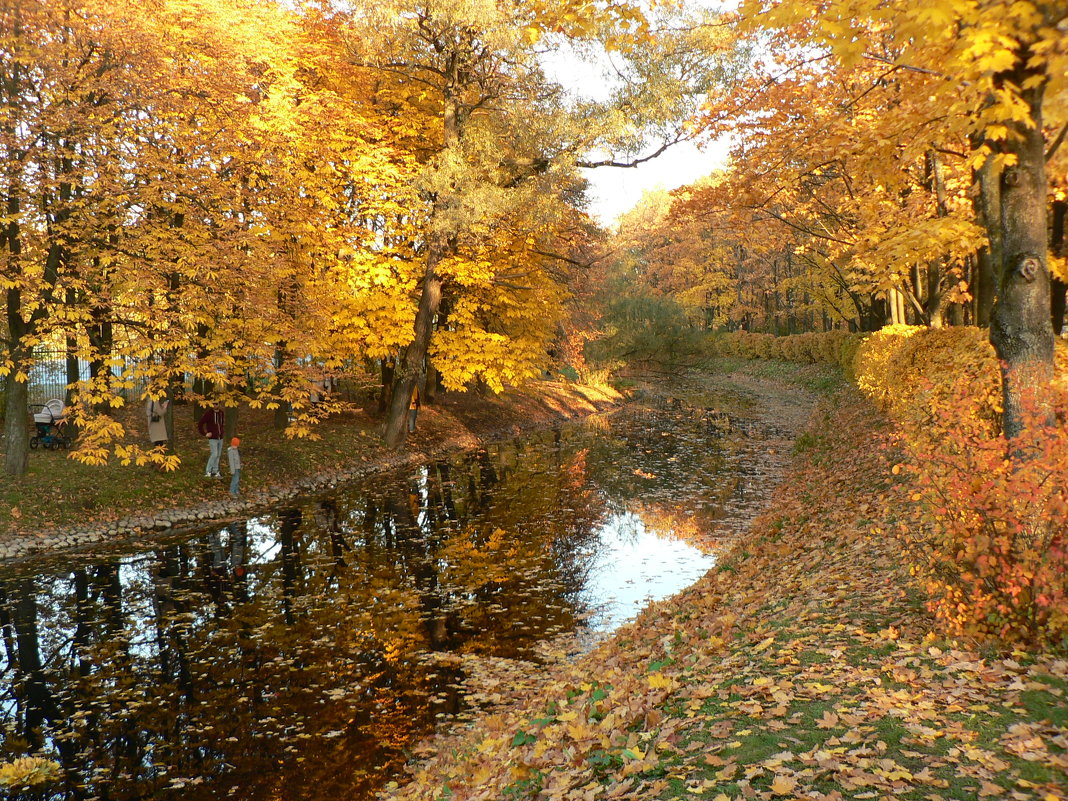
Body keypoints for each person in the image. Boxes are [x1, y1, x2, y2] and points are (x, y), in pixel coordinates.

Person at [196, 402, 225, 478]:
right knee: (214, 454)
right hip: (213, 438)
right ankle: (208, 471)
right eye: (214, 404)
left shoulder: (221, 413)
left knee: (218, 455)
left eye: (217, 404)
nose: (215, 405)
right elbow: (200, 424)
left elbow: (221, 424)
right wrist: (205, 433)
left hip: (220, 437)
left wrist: (222, 432)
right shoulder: (209, 414)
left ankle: (215, 471)